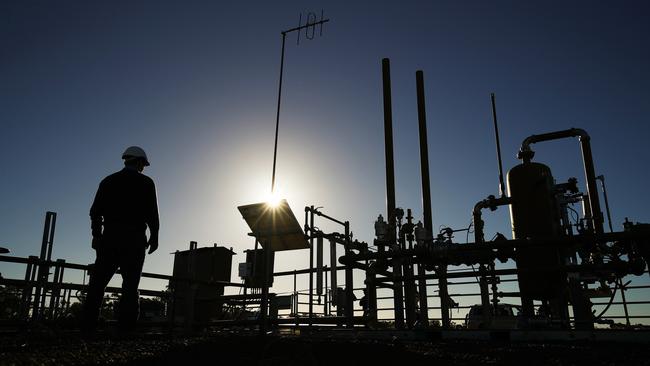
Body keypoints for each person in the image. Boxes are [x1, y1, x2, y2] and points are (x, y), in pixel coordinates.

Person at [82, 146, 159, 335]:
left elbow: (95, 212)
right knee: (130, 287)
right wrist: (155, 236)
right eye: (143, 164)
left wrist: (97, 235)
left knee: (98, 285)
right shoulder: (146, 183)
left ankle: (88, 328)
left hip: (110, 240)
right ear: (140, 162)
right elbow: (152, 214)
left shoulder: (108, 181)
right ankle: (125, 331)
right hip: (134, 242)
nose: (144, 168)